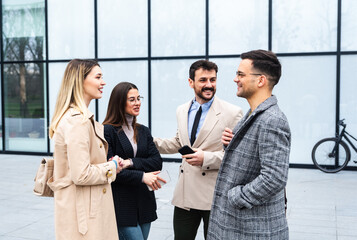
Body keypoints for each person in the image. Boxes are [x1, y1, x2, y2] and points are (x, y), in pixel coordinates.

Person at [154, 60, 243, 240]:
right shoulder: (182, 110)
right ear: (191, 82)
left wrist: (206, 158)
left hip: (215, 196)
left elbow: (237, 155)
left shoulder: (232, 112)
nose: (209, 85)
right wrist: (147, 141)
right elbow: (180, 142)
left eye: (213, 80)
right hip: (186, 194)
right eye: (203, 80)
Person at [207, 50, 291, 239]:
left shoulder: (272, 120)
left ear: (260, 80)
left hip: (253, 228)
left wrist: (239, 196)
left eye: (240, 74)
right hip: (242, 225)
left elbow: (275, 177)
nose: (235, 79)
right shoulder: (254, 114)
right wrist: (231, 146)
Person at [49, 59, 123, 240]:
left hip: (83, 210)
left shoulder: (78, 118)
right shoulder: (77, 121)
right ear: (80, 81)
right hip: (85, 217)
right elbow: (81, 174)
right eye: (98, 77)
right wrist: (112, 166)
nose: (103, 82)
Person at [103, 82, 164, 240]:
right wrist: (142, 176)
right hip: (122, 203)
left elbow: (157, 162)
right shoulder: (108, 131)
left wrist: (130, 162)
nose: (137, 103)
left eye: (138, 98)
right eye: (132, 99)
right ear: (119, 101)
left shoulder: (143, 130)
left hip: (145, 202)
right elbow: (110, 171)